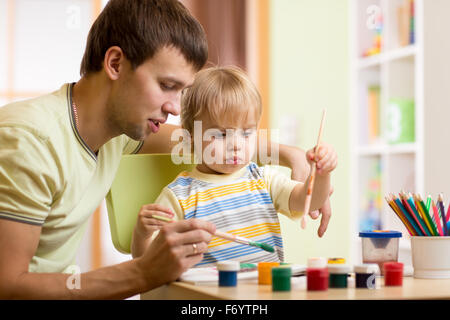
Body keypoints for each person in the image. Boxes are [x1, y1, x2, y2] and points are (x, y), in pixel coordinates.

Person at [0, 0, 325, 299]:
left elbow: (201, 139)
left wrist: (290, 154)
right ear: (115, 63)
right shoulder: (29, 139)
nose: (173, 108)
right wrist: (143, 272)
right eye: (166, 86)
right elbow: (9, 285)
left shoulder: (122, 131)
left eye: (181, 91)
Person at [131, 66, 337, 266]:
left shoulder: (263, 179)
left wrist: (321, 174)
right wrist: (142, 234)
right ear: (189, 136)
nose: (237, 145)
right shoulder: (179, 196)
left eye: (247, 133)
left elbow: (308, 201)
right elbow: (148, 264)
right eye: (221, 134)